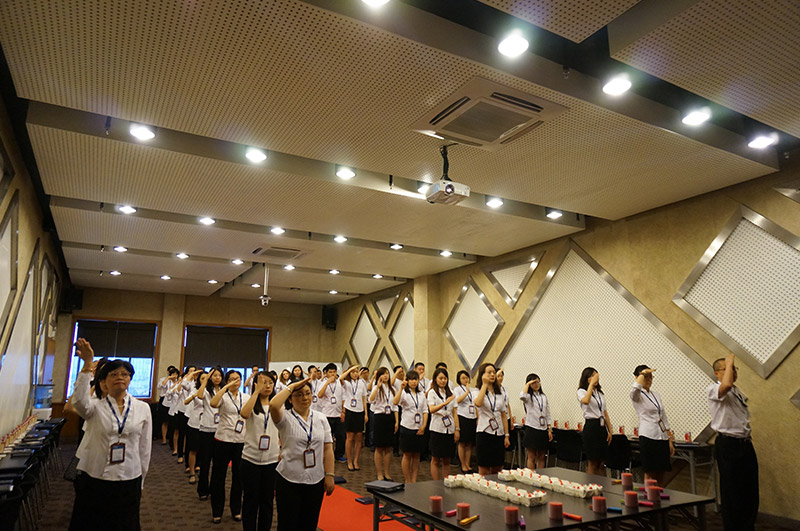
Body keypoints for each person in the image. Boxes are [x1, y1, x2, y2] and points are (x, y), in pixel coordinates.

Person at [69, 338, 152, 531]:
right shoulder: (94, 407)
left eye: (125, 374)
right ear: (104, 382)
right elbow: (78, 401)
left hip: (130, 476)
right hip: (97, 476)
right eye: (113, 374)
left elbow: (144, 447)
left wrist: (142, 480)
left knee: (126, 524)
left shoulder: (142, 408)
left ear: (130, 379)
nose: (119, 377)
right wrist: (87, 365)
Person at [269, 378, 335, 531]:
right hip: (289, 479)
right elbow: (273, 404)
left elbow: (327, 448)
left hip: (316, 479)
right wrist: (292, 386)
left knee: (309, 523)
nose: (305, 398)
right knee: (287, 524)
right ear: (290, 399)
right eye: (299, 394)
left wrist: (330, 474)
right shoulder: (284, 417)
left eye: (307, 393)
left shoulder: (320, 418)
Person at [707, 354, 758, 531]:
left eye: (735, 369)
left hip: (744, 444)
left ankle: (748, 525)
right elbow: (726, 384)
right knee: (732, 490)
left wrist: (729, 366)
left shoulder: (736, 392)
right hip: (728, 445)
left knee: (750, 488)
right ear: (717, 373)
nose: (733, 372)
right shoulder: (713, 389)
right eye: (729, 369)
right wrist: (729, 362)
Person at [240, 371, 280, 531]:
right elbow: (244, 414)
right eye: (263, 383)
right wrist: (256, 392)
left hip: (272, 459)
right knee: (250, 500)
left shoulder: (277, 405)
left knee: (267, 501)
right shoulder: (251, 402)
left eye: (270, 382)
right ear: (256, 384)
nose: (267, 386)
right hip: (251, 458)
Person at [209, 369, 249, 523]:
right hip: (223, 439)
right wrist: (225, 387)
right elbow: (213, 403)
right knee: (219, 476)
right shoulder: (223, 397)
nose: (235, 382)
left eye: (238, 379)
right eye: (232, 379)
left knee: (239, 477)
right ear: (226, 381)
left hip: (241, 440)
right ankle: (217, 511)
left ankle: (236, 509)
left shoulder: (246, 397)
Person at [630, 365, 674, 485]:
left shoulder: (656, 394)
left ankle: (659, 495)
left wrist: (669, 439)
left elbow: (663, 417)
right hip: (648, 436)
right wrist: (643, 373)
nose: (649, 379)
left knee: (661, 471)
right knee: (650, 473)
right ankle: (649, 496)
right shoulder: (637, 395)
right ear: (637, 377)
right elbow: (634, 389)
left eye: (651, 377)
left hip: (661, 436)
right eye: (646, 377)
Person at [474, 362, 510, 476]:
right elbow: (478, 403)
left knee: (497, 467)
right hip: (485, 432)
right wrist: (484, 385)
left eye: (494, 372)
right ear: (482, 375)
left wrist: (506, 435)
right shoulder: (477, 391)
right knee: (484, 468)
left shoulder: (499, 393)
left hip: (499, 433)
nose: (492, 375)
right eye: (489, 372)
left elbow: (503, 415)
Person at [393, 370, 428, 483]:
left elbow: (425, 410)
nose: (414, 382)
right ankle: (407, 480)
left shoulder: (421, 394)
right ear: (407, 381)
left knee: (416, 456)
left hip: (419, 428)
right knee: (407, 455)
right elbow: (395, 402)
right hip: (407, 427)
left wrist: (424, 425)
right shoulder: (404, 392)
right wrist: (400, 389)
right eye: (411, 379)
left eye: (415, 379)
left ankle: (414, 480)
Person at [195, 366, 224, 500]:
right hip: (207, 428)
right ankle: (203, 490)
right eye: (214, 375)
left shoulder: (224, 390)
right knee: (205, 462)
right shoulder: (206, 390)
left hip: (221, 430)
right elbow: (199, 396)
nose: (217, 378)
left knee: (218, 463)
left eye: (219, 375)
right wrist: (205, 380)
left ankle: (214, 489)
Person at [578, 367, 613, 476]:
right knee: (593, 462)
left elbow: (605, 412)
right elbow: (586, 400)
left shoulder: (599, 393)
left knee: (601, 462)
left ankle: (602, 485)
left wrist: (610, 430)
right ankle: (591, 485)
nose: (595, 378)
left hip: (601, 426)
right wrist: (591, 385)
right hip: (591, 427)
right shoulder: (581, 391)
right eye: (592, 376)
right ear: (586, 378)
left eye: (596, 375)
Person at [427, 368, 459, 480]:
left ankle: (446, 481)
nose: (443, 381)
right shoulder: (432, 393)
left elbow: (455, 412)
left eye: (445, 378)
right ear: (435, 379)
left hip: (449, 428)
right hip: (437, 428)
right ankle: (436, 482)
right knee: (435, 459)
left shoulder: (451, 393)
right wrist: (445, 403)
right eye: (440, 378)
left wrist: (457, 429)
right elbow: (431, 409)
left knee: (447, 459)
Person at [520, 373, 552, 470]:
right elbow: (522, 396)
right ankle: (530, 476)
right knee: (531, 456)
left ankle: (540, 476)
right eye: (534, 383)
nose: (536, 384)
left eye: (538, 382)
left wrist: (549, 429)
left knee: (541, 456)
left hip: (543, 429)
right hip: (532, 428)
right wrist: (527, 385)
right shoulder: (528, 397)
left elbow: (547, 413)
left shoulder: (543, 396)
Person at [339, 365, 368, 470]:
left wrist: (366, 414)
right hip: (350, 410)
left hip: (360, 411)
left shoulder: (361, 383)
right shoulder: (347, 383)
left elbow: (364, 399)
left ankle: (355, 460)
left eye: (356, 372)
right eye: (353, 372)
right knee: (350, 437)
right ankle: (349, 461)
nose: (355, 374)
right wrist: (350, 369)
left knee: (359, 437)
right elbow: (341, 378)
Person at [369, 367, 395, 480]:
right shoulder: (376, 387)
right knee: (379, 447)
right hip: (379, 417)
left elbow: (395, 406)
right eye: (383, 374)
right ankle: (379, 472)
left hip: (390, 417)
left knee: (388, 447)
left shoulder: (392, 389)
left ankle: (387, 472)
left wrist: (396, 421)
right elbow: (371, 400)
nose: (385, 375)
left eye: (387, 373)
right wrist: (378, 387)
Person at [317, 363, 346, 462]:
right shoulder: (322, 383)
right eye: (330, 372)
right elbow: (320, 395)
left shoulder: (339, 383)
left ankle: (339, 455)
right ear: (326, 373)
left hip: (338, 414)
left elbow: (344, 398)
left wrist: (343, 412)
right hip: (327, 414)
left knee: (341, 436)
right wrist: (327, 383)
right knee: (327, 437)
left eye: (334, 372)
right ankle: (326, 455)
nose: (332, 374)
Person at [183, 369, 207, 484]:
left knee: (204, 449)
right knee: (193, 448)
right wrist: (194, 395)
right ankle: (192, 472)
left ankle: (200, 467)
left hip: (207, 423)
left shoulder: (211, 391)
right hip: (195, 422)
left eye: (206, 379)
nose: (205, 381)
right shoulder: (194, 389)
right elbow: (186, 401)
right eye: (202, 378)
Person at [454, 369, 477, 473]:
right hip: (462, 416)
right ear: (459, 379)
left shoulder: (473, 390)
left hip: (472, 417)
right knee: (462, 442)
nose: (465, 380)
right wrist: (466, 392)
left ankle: (468, 464)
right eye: (463, 378)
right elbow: (457, 401)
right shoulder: (457, 389)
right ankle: (462, 464)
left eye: (467, 377)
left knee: (470, 443)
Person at [158, 366, 180, 449]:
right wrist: (168, 378)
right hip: (165, 402)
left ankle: (171, 439)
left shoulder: (179, 382)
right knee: (165, 421)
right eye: (173, 374)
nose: (174, 375)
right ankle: (164, 438)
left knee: (173, 423)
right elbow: (161, 386)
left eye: (176, 374)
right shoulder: (166, 380)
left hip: (175, 404)